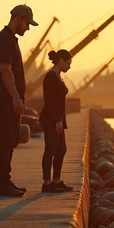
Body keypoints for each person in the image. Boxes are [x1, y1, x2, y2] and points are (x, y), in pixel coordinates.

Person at [0, 4, 38, 197]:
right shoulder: (5, 40)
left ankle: (5, 180)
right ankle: (0, 184)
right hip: (6, 99)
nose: (28, 28)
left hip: (10, 99)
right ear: (18, 19)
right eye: (27, 23)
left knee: (10, 140)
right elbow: (5, 70)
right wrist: (16, 99)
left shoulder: (10, 40)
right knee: (5, 140)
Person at [39, 50, 74, 193]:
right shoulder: (51, 77)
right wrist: (56, 121)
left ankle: (56, 181)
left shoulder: (58, 77)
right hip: (51, 119)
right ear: (61, 61)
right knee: (50, 150)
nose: (69, 67)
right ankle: (47, 184)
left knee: (61, 150)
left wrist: (61, 120)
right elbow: (51, 101)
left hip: (59, 120)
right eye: (68, 63)